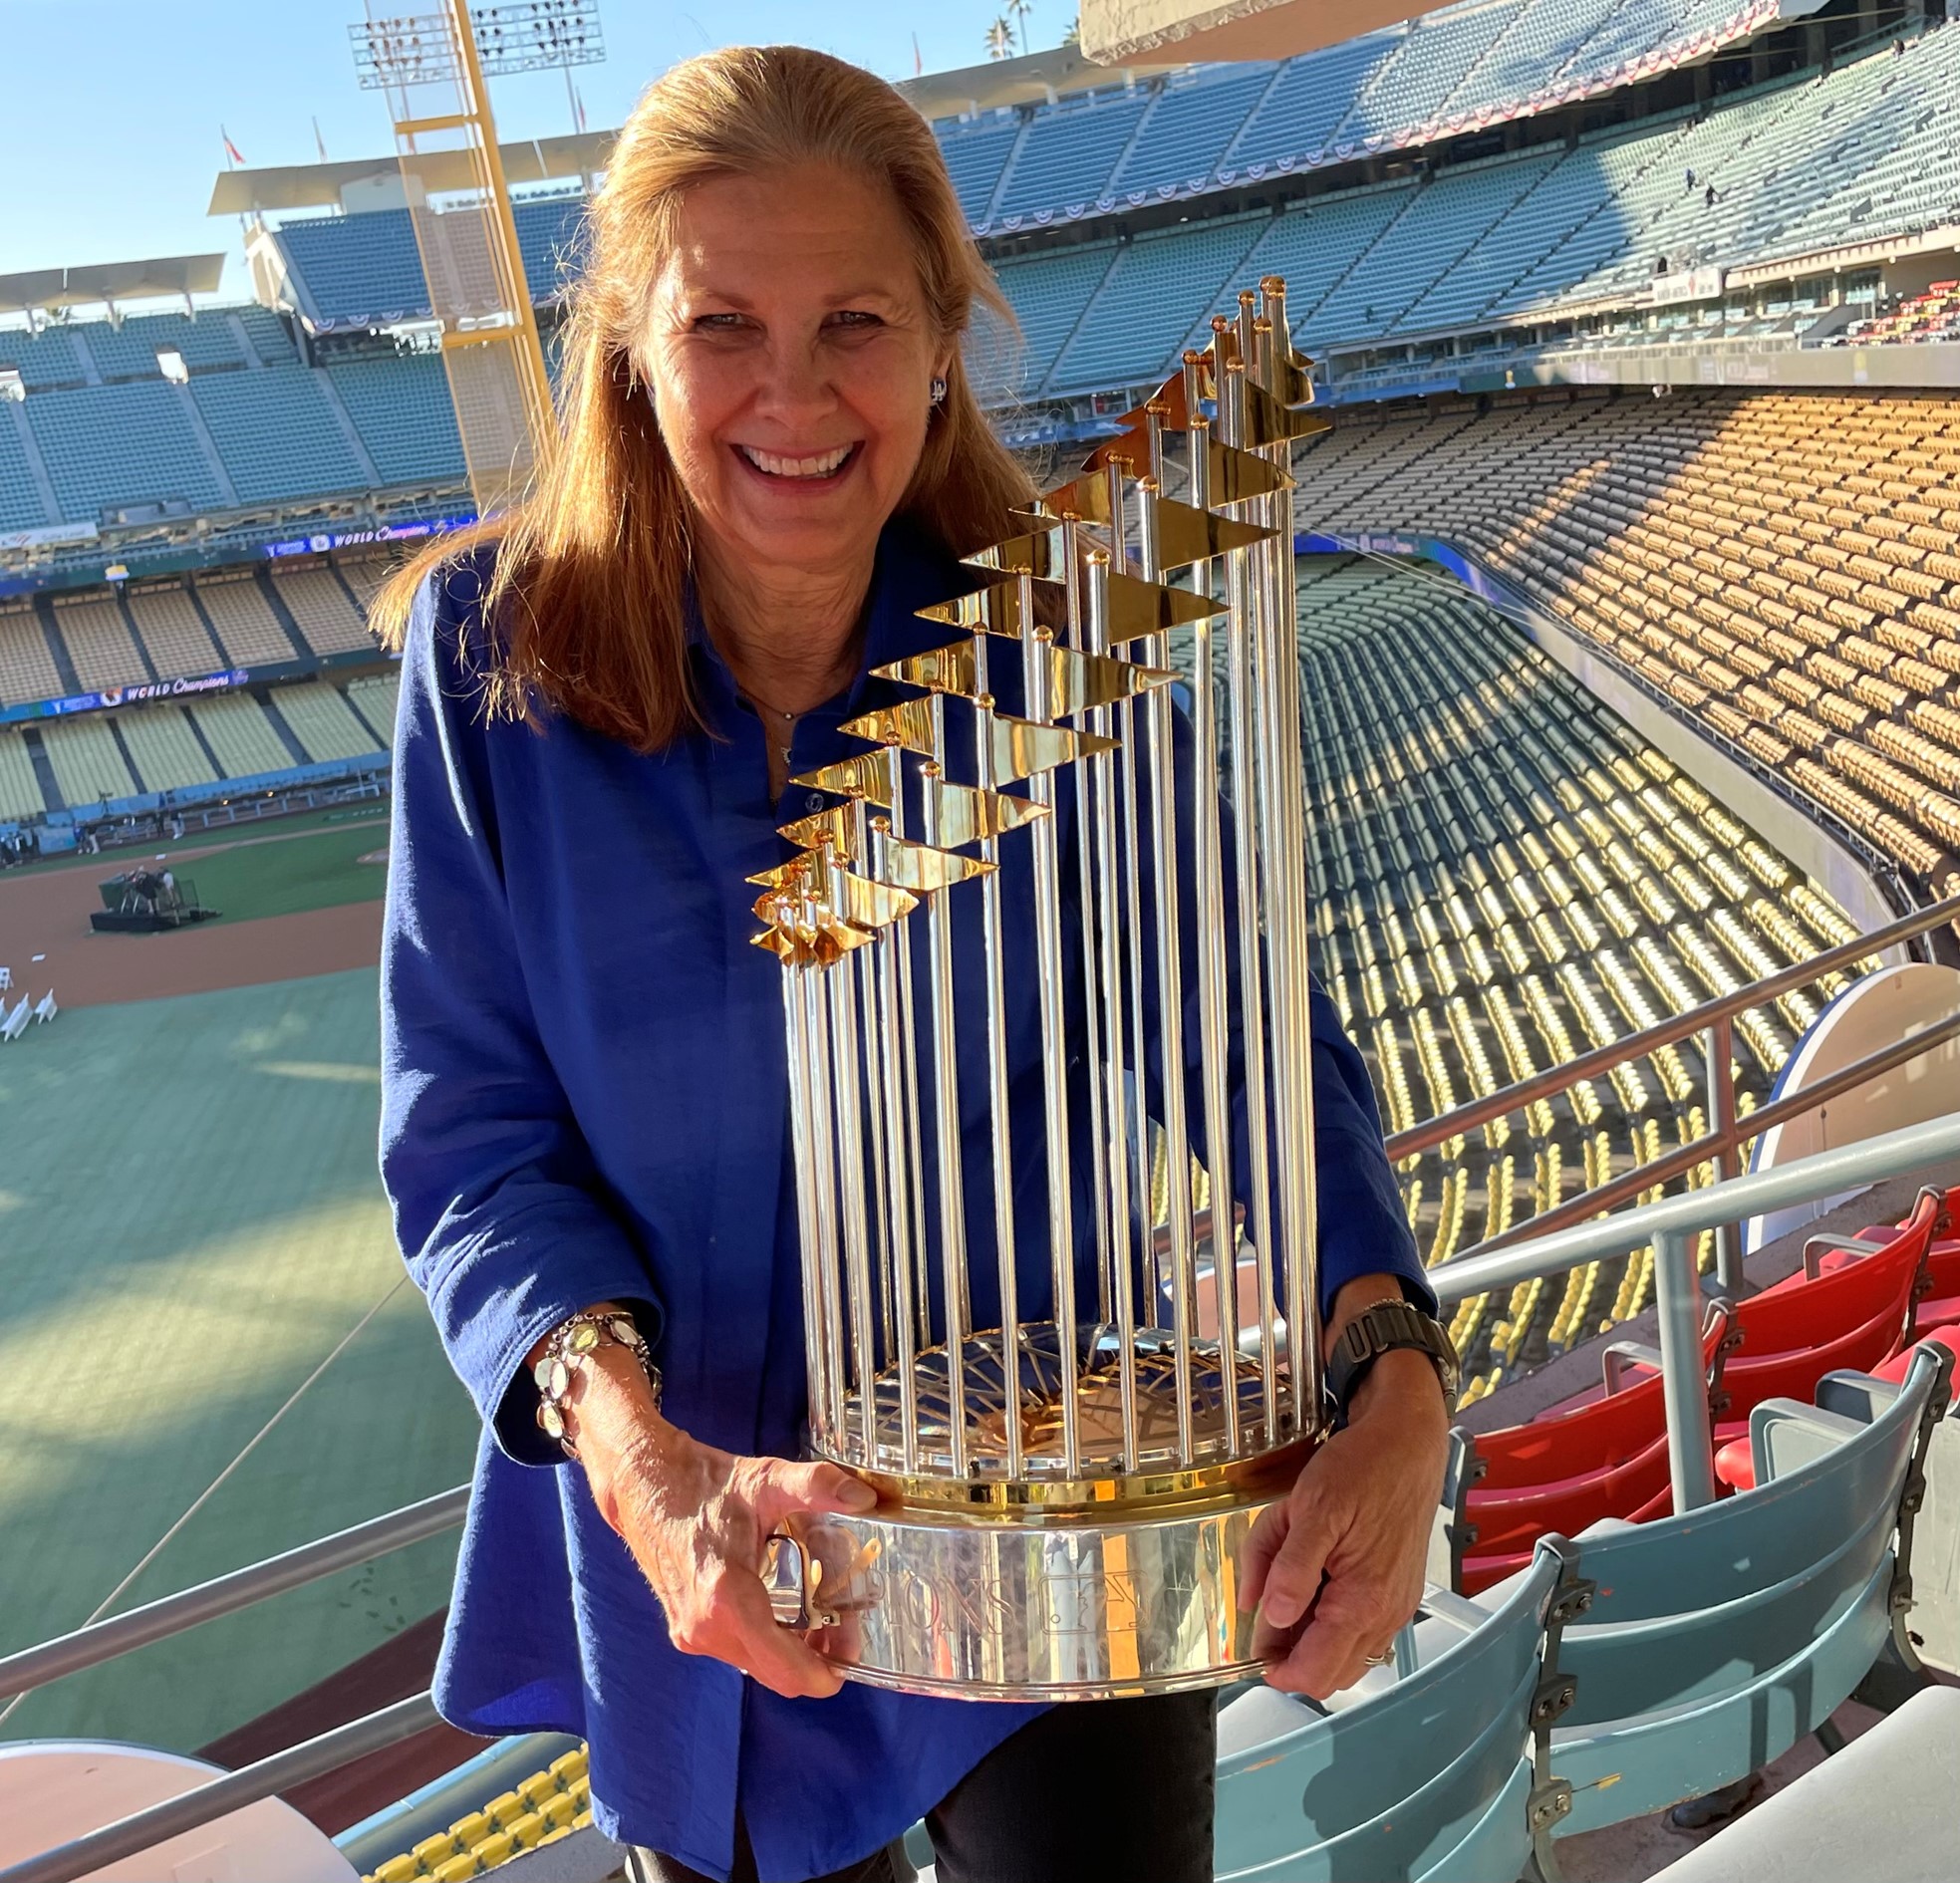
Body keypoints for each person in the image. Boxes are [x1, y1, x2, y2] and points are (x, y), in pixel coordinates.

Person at [372, 44, 1451, 1883]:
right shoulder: (492, 661)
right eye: (724, 326)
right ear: (633, 343)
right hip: (689, 1556)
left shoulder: (1073, 667)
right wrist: (640, 1461)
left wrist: (1394, 1365)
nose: (793, 394)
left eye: (855, 319)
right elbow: (467, 1130)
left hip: (1045, 1517)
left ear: (943, 339)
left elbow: (1254, 1045)